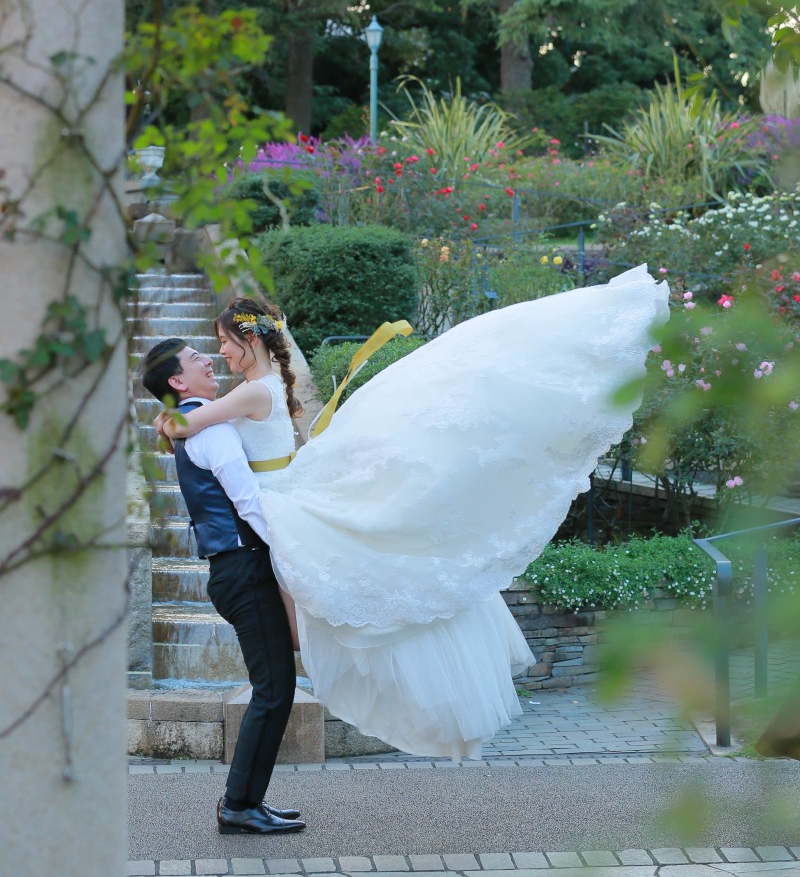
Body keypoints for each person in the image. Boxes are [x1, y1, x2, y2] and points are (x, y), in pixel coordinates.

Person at [154, 264, 669, 761]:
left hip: (273, 505)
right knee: (343, 605)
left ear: (250, 341)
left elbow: (184, 425)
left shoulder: (248, 393)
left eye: (223, 341)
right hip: (281, 495)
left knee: (332, 615)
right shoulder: (266, 388)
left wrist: (166, 417)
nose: (218, 352)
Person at [141, 338, 306, 836]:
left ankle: (246, 802)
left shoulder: (197, 420)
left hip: (238, 568)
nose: (208, 360)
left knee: (276, 688)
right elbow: (248, 501)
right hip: (243, 567)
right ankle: (238, 805)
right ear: (177, 382)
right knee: (274, 690)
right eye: (196, 359)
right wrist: (296, 552)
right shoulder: (211, 431)